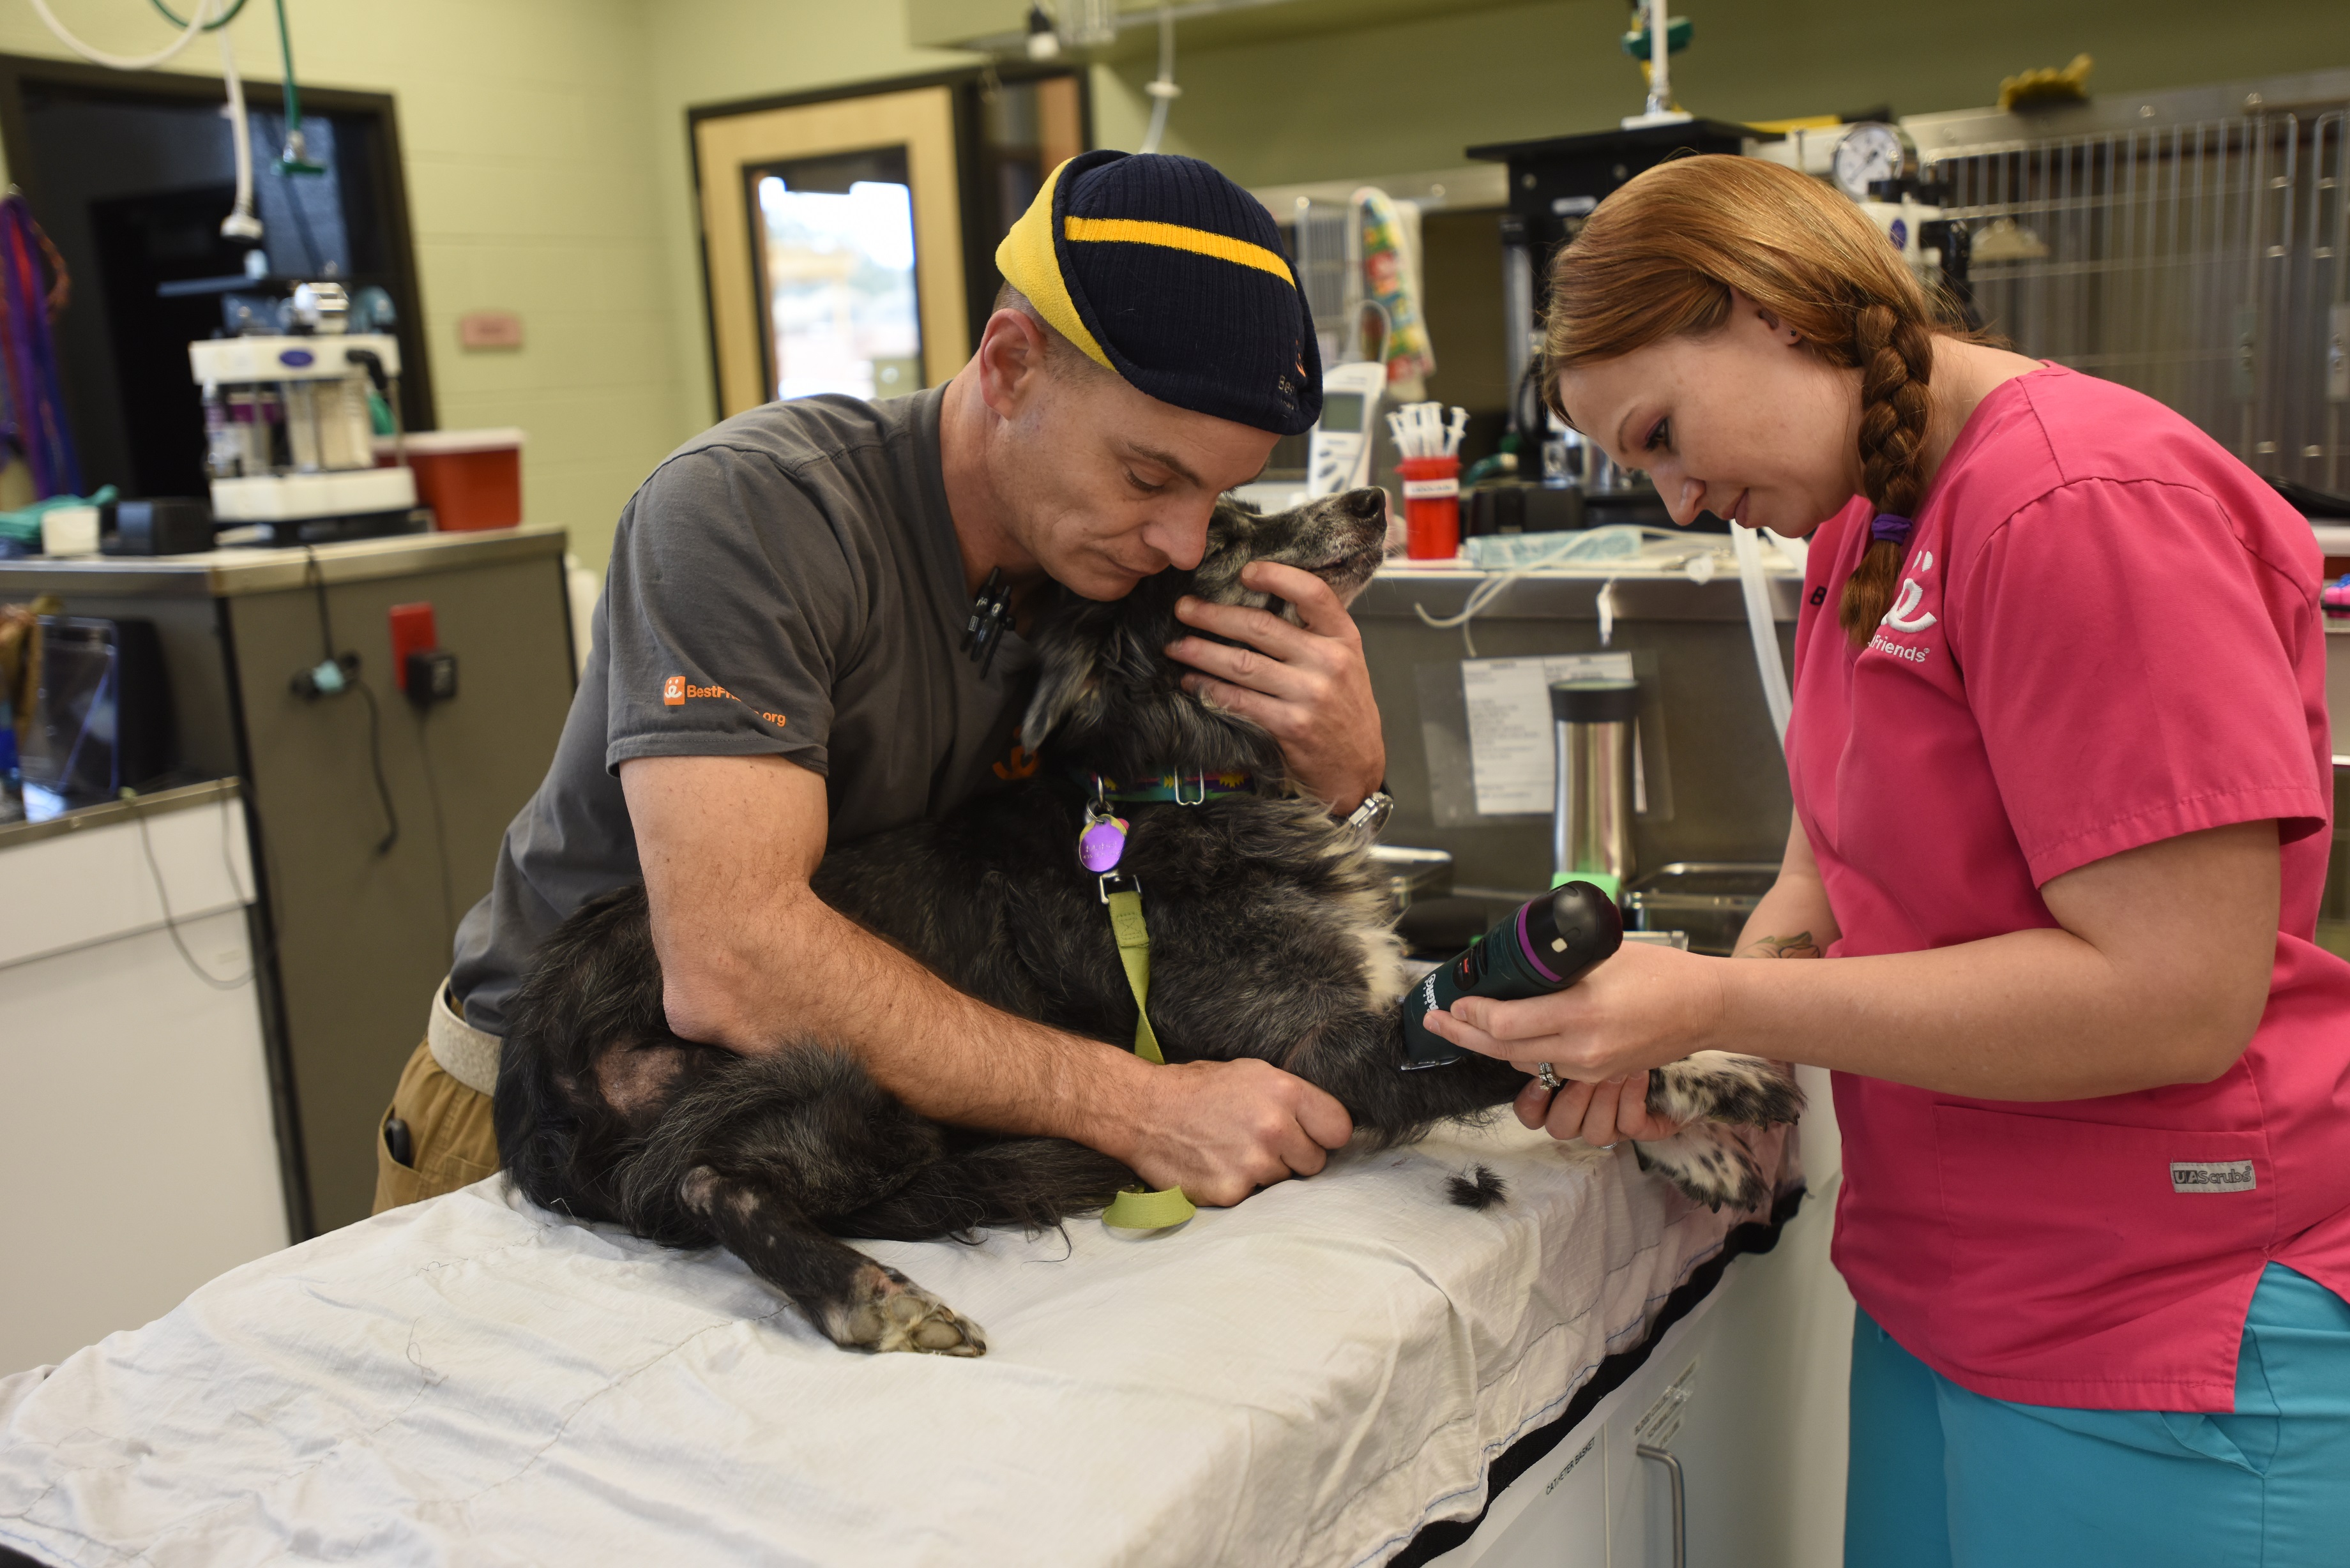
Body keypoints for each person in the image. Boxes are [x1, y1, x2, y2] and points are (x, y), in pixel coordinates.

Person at [1421, 154, 2350, 1565]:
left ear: (1769, 306)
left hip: (2164, 1313)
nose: (1679, 500)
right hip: (1948, 1289)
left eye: (1665, 433)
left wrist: (1713, 998)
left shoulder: (2078, 500)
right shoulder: (1868, 520)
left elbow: (2176, 996)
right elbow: (1824, 868)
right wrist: (1709, 1059)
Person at [374, 151, 1395, 1216]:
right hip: (582, 1119)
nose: (1182, 543)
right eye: (1149, 476)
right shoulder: (751, 516)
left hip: (841, 1123)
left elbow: (1177, 863)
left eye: (1221, 495)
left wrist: (1349, 780)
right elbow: (733, 960)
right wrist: (1136, 1106)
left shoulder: (1106, 562)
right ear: (1011, 367)